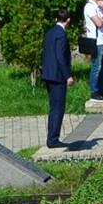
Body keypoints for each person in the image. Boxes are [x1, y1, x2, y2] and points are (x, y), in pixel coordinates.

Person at [40, 10, 73, 149]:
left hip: (48, 74)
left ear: (56, 19)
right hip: (57, 76)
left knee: (53, 107)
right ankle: (53, 139)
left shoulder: (50, 32)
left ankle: (51, 137)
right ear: (68, 20)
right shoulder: (61, 34)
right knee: (58, 108)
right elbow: (60, 57)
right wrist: (68, 75)